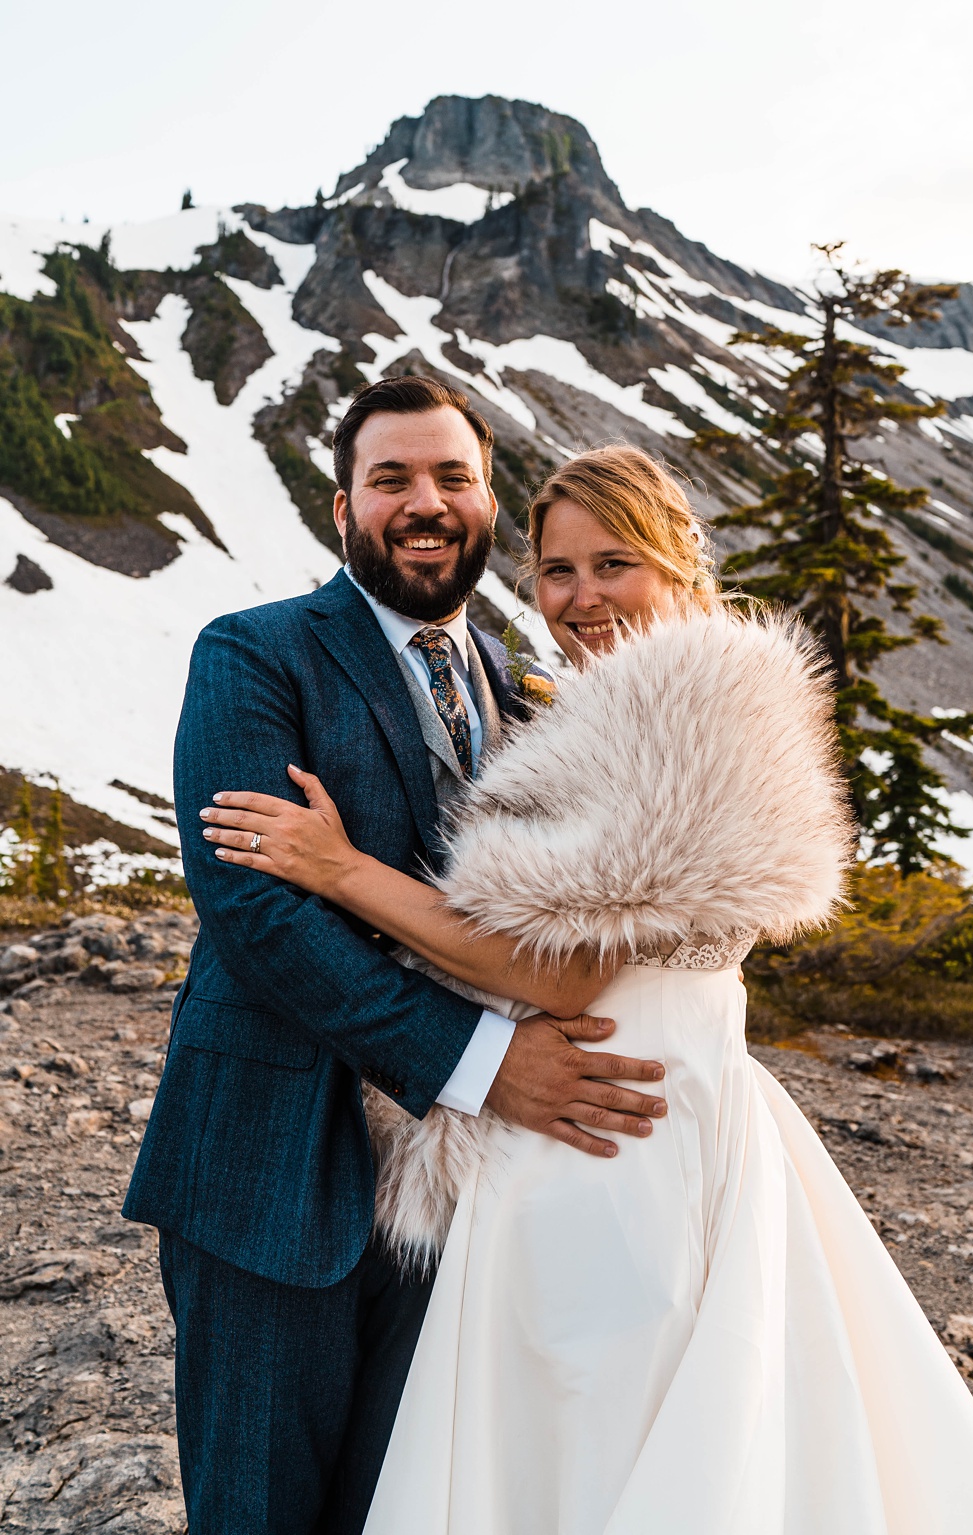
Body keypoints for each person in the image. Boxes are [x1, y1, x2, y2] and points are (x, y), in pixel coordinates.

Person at [206, 442, 973, 1533]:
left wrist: (339, 865)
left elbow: (569, 963)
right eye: (556, 570)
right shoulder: (641, 696)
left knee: (586, 1420)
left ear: (677, 558)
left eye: (613, 563)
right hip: (655, 1102)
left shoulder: (673, 701)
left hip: (604, 1131)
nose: (582, 597)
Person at [122, 382, 667, 1535]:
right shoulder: (254, 654)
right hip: (272, 1171)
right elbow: (256, 914)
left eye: (451, 478)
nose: (425, 504)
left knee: (411, 1506)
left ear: (484, 500)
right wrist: (481, 1061)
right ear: (342, 507)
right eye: (392, 480)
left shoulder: (529, 685)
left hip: (467, 1203)